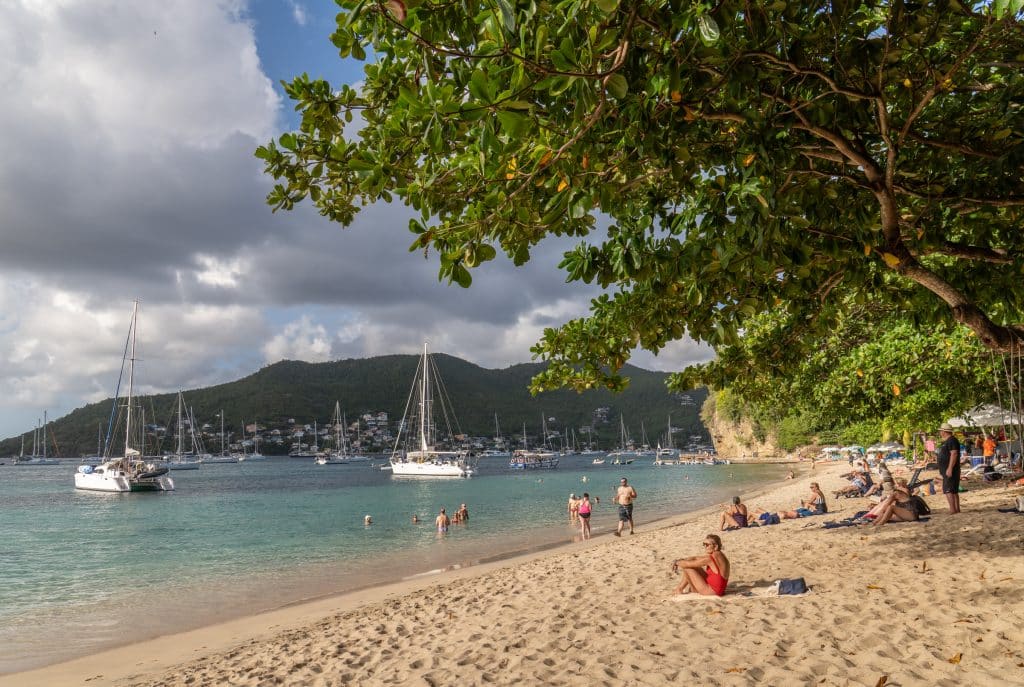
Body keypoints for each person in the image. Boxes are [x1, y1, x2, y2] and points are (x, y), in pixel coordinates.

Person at [937, 423, 961, 514]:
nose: (940, 432)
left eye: (940, 431)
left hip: (950, 469)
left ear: (944, 431)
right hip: (947, 469)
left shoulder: (951, 440)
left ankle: (952, 509)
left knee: (948, 489)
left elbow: (954, 454)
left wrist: (950, 468)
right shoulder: (949, 441)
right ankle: (956, 509)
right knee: (953, 489)